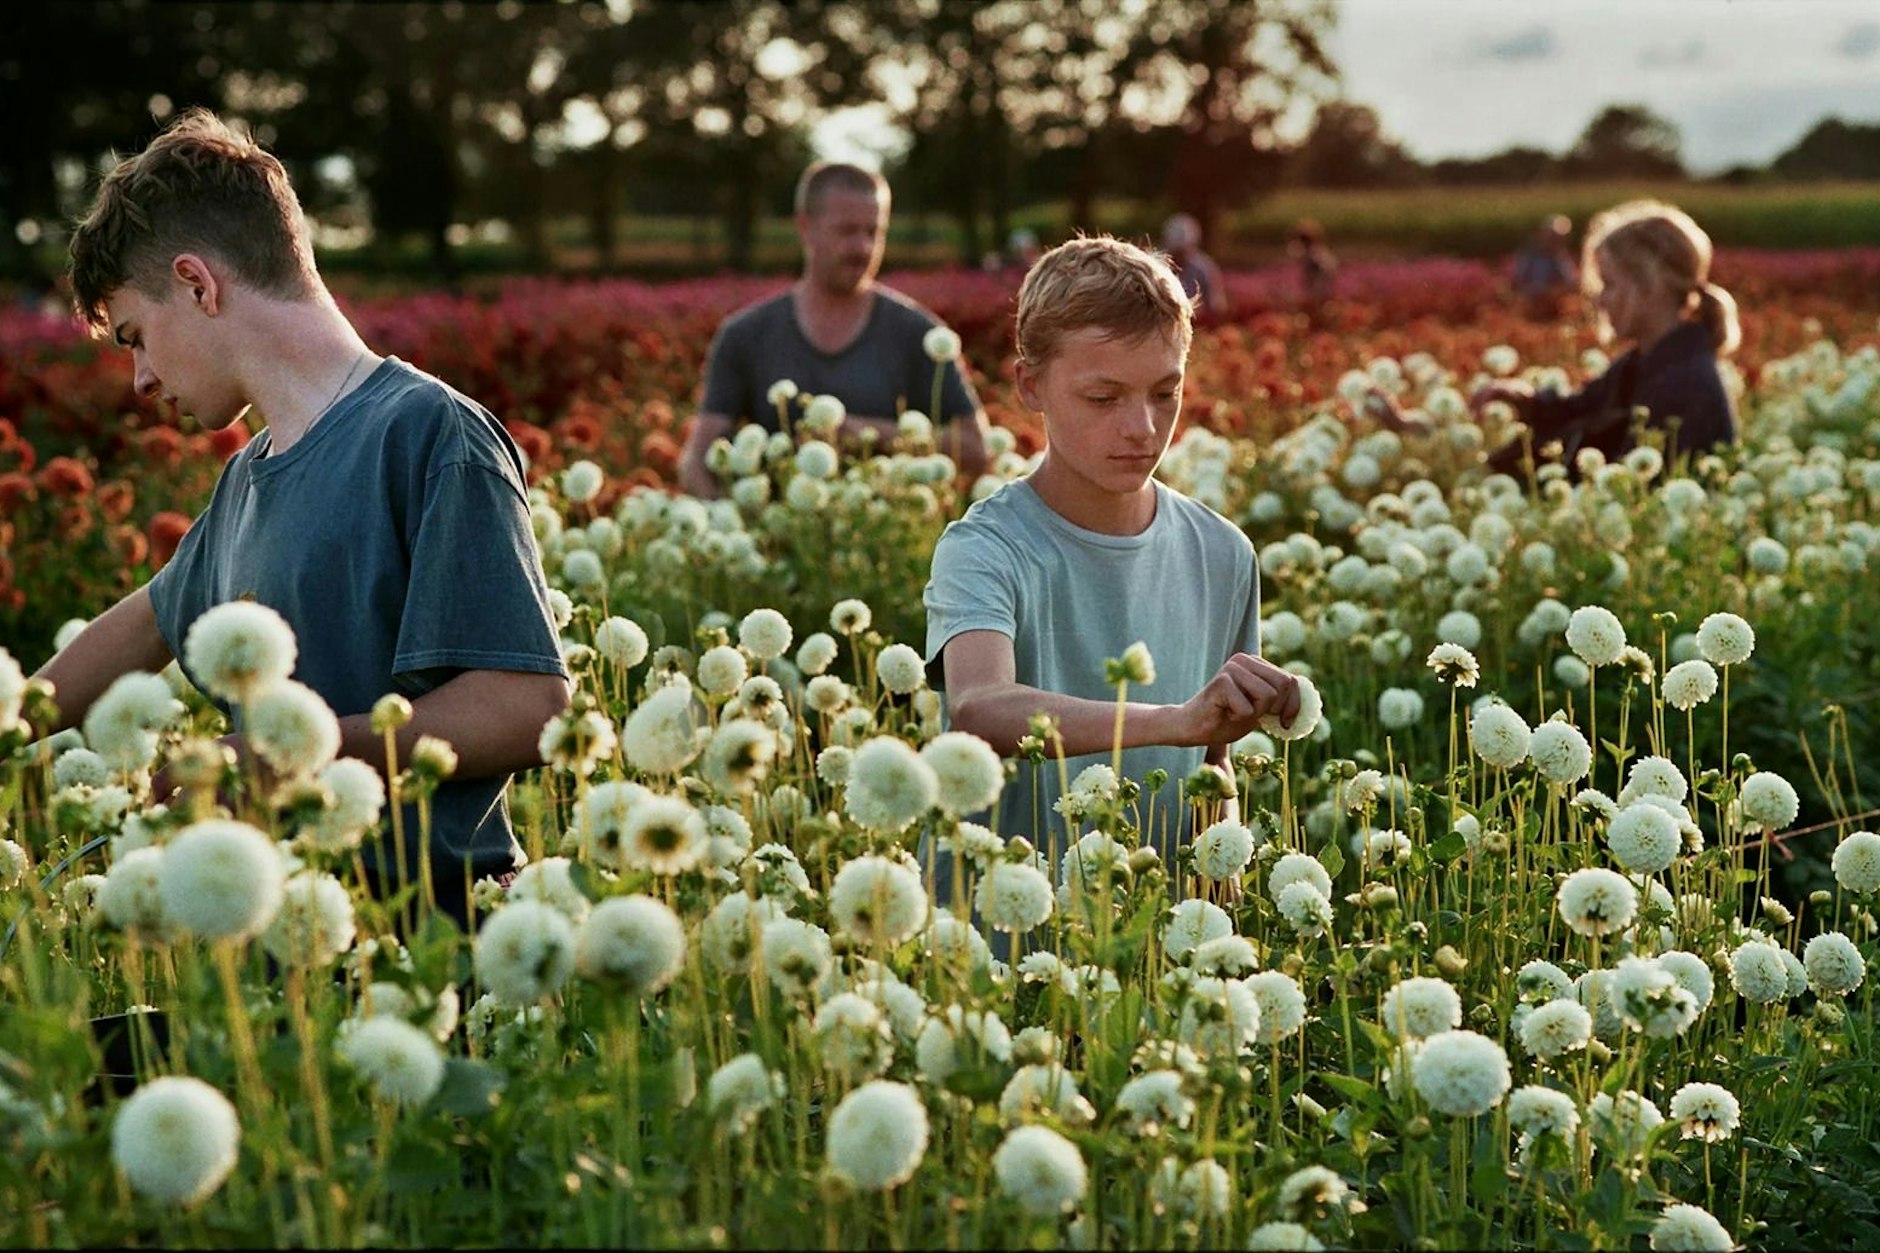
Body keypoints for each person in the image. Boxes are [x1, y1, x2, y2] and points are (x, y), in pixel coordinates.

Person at [34, 109, 572, 928]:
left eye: (137, 337)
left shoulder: (427, 433)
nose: (140, 379)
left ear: (196, 282)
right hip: (285, 952)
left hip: (431, 943)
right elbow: (140, 625)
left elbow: (526, 706)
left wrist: (290, 753)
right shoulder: (246, 481)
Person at [923, 236, 1300, 887]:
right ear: (1029, 386)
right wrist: (1174, 722)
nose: (1143, 429)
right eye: (1104, 398)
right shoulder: (984, 546)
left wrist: (1222, 910)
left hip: (1150, 954)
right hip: (992, 947)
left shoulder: (1223, 553)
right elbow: (980, 706)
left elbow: (1214, 766)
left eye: (1164, 393)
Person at [678, 162, 990, 498]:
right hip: (777, 538)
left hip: (885, 536)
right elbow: (696, 462)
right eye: (847, 231)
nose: (863, 248)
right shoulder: (745, 335)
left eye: (874, 232)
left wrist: (869, 434)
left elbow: (976, 448)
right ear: (805, 227)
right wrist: (731, 524)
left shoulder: (919, 334)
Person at [1365, 200, 1739, 477]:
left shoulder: (1684, 386)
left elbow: (1631, 493)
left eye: (1610, 284)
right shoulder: (1646, 364)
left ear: (1651, 284)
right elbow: (1572, 412)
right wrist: (1517, 400)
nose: (1600, 299)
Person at [1160, 213, 1227, 322]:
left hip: (1196, 324)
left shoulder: (1203, 267)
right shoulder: (1159, 266)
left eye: (1183, 252)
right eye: (1176, 252)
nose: (1179, 257)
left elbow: (1217, 306)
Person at [1511, 214, 1579, 318]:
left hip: (1555, 311)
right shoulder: (1529, 255)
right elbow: (1518, 281)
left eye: (1560, 238)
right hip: (1530, 308)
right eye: (1552, 236)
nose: (1556, 240)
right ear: (1543, 234)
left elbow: (1570, 283)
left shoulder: (1562, 258)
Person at [1288, 218, 1338, 322]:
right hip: (1320, 289)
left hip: (1318, 289)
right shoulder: (1319, 251)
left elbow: (1326, 271)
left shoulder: (1315, 254)